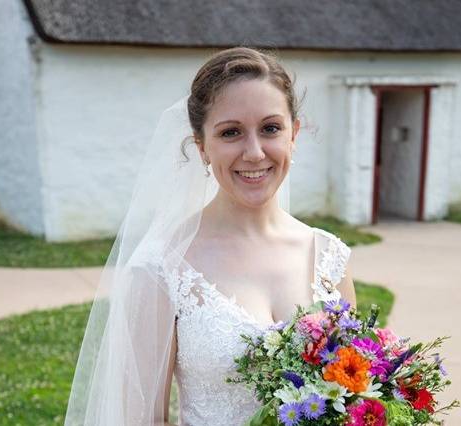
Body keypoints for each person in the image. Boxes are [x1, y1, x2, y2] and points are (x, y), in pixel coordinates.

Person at [64, 46, 356, 426]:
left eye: (270, 129)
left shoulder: (329, 256)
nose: (254, 153)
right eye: (231, 132)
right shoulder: (161, 267)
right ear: (202, 147)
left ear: (293, 134)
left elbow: (353, 394)